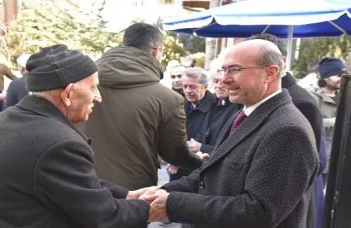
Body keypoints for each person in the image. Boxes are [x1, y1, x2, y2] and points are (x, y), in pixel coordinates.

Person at [0, 44, 153, 228]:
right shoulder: (59, 143)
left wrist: (126, 195)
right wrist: (154, 207)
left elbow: (71, 183)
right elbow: (104, 216)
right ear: (68, 94)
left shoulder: (6, 119)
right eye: (93, 87)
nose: (98, 97)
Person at [141, 39, 319, 228]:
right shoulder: (246, 114)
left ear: (270, 73)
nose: (225, 79)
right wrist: (162, 190)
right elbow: (210, 174)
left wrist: (172, 204)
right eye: (223, 70)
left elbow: (259, 212)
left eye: (235, 70)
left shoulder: (287, 130)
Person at [76, 23, 204, 191]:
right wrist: (200, 160)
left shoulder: (77, 86)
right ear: (156, 51)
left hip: (79, 183)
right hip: (131, 193)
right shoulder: (167, 99)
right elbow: (175, 154)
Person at [247, 33, 325, 228]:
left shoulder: (300, 103)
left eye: (244, 66)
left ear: (278, 63)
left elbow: (303, 168)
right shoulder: (258, 95)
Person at [310, 57, 347, 185]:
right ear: (325, 76)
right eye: (338, 74)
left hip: (340, 159)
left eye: (344, 75)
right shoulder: (312, 97)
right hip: (321, 160)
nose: (341, 78)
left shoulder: (345, 96)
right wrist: (334, 122)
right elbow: (309, 123)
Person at [189, 72, 241, 155]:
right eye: (216, 81)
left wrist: (202, 148)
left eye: (224, 82)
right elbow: (204, 130)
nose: (219, 86)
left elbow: (233, 145)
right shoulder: (213, 102)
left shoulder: (239, 107)